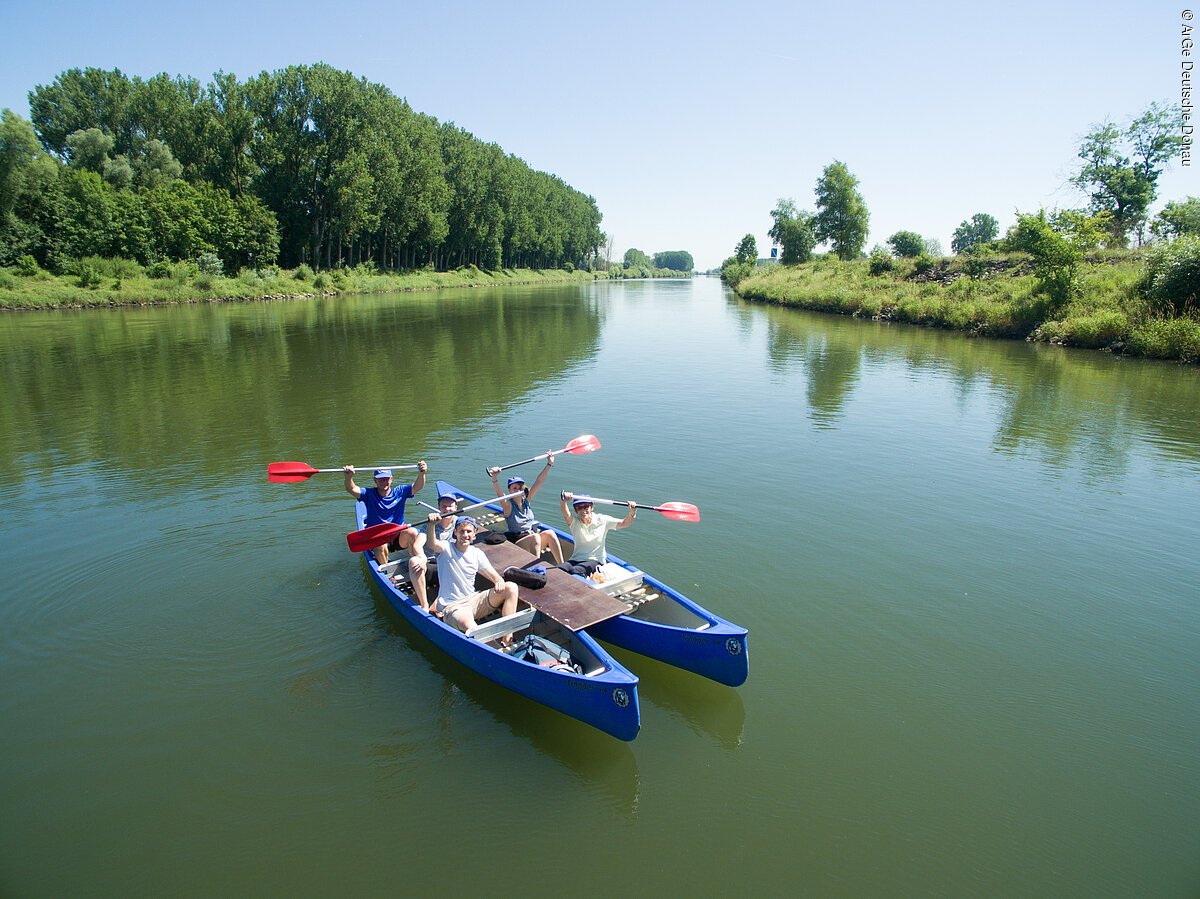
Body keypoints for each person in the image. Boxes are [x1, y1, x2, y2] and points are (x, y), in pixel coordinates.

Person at [344, 462, 431, 611]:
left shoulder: (400, 491)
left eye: (386, 479)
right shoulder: (369, 494)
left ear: (391, 479)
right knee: (380, 544)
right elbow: (351, 489)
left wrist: (422, 473)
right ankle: (387, 573)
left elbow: (418, 486)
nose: (384, 482)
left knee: (412, 533)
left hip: (396, 535)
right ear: (375, 481)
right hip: (378, 538)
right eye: (380, 479)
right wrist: (349, 477)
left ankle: (415, 564)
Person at [426, 512, 519, 640]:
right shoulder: (446, 548)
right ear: (455, 533)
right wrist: (431, 525)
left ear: (474, 535)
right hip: (453, 607)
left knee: (511, 588)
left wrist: (499, 582)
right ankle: (485, 651)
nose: (465, 535)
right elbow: (432, 543)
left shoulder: (477, 553)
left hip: (473, 600)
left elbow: (496, 577)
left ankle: (507, 639)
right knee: (472, 627)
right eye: (462, 531)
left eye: (469, 532)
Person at [486, 454, 564, 564]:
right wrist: (494, 477)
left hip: (531, 538)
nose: (518, 490)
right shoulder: (508, 506)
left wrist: (549, 463)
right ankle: (534, 570)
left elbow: (539, 481)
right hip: (517, 543)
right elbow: (499, 494)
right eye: (514, 488)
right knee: (535, 537)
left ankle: (561, 566)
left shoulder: (526, 501)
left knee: (550, 533)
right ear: (509, 491)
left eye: (520, 488)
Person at [557, 492, 636, 578]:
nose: (583, 510)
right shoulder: (574, 522)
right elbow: (565, 512)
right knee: (558, 569)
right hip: (576, 559)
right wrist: (563, 500)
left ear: (592, 507)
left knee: (575, 571)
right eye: (579, 508)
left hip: (595, 561)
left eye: (586, 507)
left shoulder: (602, 520)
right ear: (576, 510)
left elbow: (624, 523)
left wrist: (632, 512)